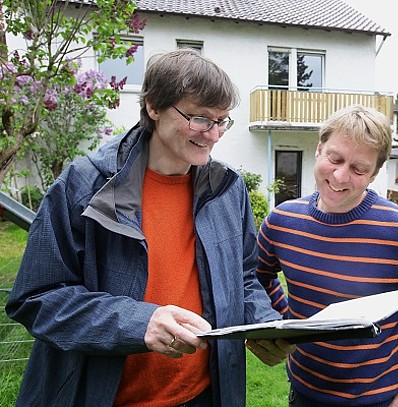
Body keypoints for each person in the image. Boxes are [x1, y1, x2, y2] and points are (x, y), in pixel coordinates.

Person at [6, 49, 292, 407]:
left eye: (222, 121)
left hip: (205, 394)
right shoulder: (84, 186)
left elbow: (244, 275)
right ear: (154, 107)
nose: (214, 134)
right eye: (200, 118)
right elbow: (37, 298)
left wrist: (263, 323)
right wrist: (140, 322)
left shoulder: (227, 188)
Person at [249, 105, 398, 406]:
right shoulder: (282, 221)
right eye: (335, 158)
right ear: (319, 149)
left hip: (377, 399)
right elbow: (257, 278)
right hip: (303, 392)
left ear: (374, 174)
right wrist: (285, 326)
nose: (341, 175)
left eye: (359, 169)